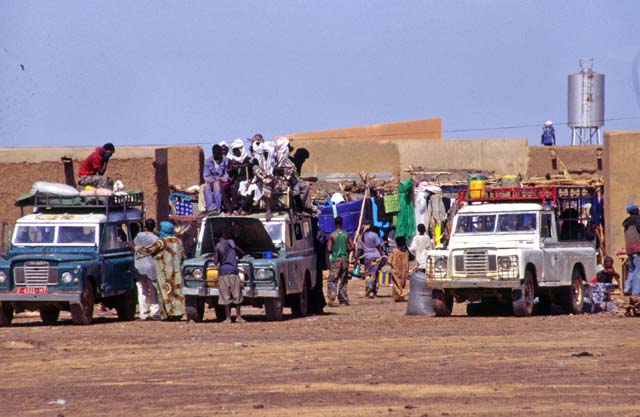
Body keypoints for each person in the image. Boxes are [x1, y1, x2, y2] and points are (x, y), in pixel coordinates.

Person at [138, 221, 185, 320]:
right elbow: (182, 255)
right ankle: (178, 313)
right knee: (176, 292)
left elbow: (149, 250)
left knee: (164, 292)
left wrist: (135, 248)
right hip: (176, 272)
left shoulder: (162, 242)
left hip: (164, 272)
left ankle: (167, 314)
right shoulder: (178, 241)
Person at [214, 229, 246, 323]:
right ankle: (238, 317)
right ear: (224, 235)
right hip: (233, 272)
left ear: (216, 238)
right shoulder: (231, 242)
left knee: (226, 297)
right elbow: (239, 251)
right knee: (237, 295)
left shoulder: (218, 246)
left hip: (223, 273)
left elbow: (215, 262)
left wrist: (215, 254)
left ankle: (228, 318)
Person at [133, 219, 161, 320]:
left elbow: (134, 247)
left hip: (139, 266)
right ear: (154, 227)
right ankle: (154, 312)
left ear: (145, 226)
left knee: (141, 290)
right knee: (153, 290)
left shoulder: (138, 236)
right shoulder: (156, 239)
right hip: (151, 267)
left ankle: (143, 313)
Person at [327, 216, 354, 307]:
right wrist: (347, 250)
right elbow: (352, 246)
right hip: (345, 259)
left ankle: (332, 292)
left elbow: (329, 248)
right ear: (342, 223)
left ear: (335, 224)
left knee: (332, 279)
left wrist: (333, 253)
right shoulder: (346, 234)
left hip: (336, 259)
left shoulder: (332, 235)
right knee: (343, 279)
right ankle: (343, 300)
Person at [360, 220, 384, 298]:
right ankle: (374, 291)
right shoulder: (374, 235)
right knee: (375, 274)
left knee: (368, 273)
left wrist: (356, 260)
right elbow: (378, 246)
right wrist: (382, 255)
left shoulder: (361, 236)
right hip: (376, 257)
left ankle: (368, 286)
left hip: (367, 258)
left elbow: (359, 250)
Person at [203, 144, 229, 215]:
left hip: (222, 181)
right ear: (213, 153)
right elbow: (206, 175)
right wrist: (212, 180)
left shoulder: (225, 160)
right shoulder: (208, 161)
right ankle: (211, 209)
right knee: (206, 186)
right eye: (216, 154)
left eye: (219, 154)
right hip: (211, 180)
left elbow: (227, 174)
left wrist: (219, 179)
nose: (218, 156)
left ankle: (218, 209)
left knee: (216, 185)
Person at [623, 204, 640, 300]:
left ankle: (627, 288)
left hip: (630, 250)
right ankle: (636, 293)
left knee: (632, 271)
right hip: (638, 249)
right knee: (638, 271)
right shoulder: (638, 221)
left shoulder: (626, 223)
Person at [389, 236, 410, 302]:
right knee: (401, 284)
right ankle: (400, 296)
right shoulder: (406, 252)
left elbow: (389, 261)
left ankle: (400, 295)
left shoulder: (394, 251)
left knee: (396, 284)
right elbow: (407, 262)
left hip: (395, 270)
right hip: (404, 271)